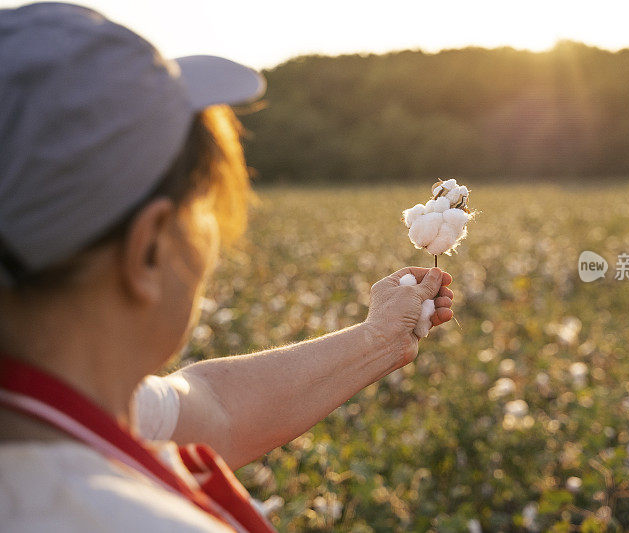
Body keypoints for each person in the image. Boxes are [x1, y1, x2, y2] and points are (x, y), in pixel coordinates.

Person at [0, 3, 455, 531]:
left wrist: (379, 337)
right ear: (147, 250)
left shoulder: (68, 395)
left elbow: (214, 411)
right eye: (203, 207)